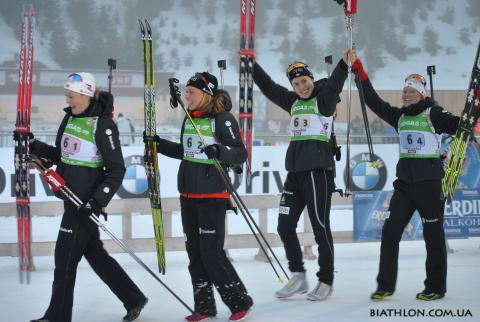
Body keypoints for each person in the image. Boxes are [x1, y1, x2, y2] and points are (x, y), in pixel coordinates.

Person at [29, 72, 148, 322]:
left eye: (71, 96)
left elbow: (116, 169)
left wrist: (96, 202)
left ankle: (56, 317)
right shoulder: (70, 117)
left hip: (84, 204)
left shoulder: (102, 125)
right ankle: (133, 297)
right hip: (69, 197)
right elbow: (62, 155)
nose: (68, 100)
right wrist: (33, 146)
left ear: (86, 93)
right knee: (94, 253)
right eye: (67, 95)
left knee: (64, 258)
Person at [144, 72, 253, 322]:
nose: (186, 96)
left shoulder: (222, 120)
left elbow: (239, 153)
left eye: (191, 92)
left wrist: (219, 150)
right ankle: (204, 307)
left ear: (206, 93)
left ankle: (239, 301)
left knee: (211, 253)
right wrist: (157, 144)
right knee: (194, 254)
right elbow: (185, 152)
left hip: (213, 195)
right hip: (188, 194)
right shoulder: (190, 119)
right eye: (186, 92)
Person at [351, 58, 459, 301]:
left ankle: (435, 287)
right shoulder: (399, 117)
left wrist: (468, 121)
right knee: (390, 233)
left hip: (429, 185)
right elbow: (374, 102)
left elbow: (455, 125)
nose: (407, 94)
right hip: (405, 187)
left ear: (421, 94)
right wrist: (361, 76)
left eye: (412, 91)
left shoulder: (433, 113)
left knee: (433, 236)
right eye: (405, 91)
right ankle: (385, 285)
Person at [252, 49, 355, 301]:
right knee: (284, 226)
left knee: (320, 227)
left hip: (317, 173)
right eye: (296, 84)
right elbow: (269, 87)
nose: (301, 87)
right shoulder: (293, 102)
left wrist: (344, 63)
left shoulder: (324, 101)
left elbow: (334, 85)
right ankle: (298, 275)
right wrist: (250, 65)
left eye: (304, 81)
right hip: (294, 174)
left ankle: (326, 279)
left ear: (311, 79)